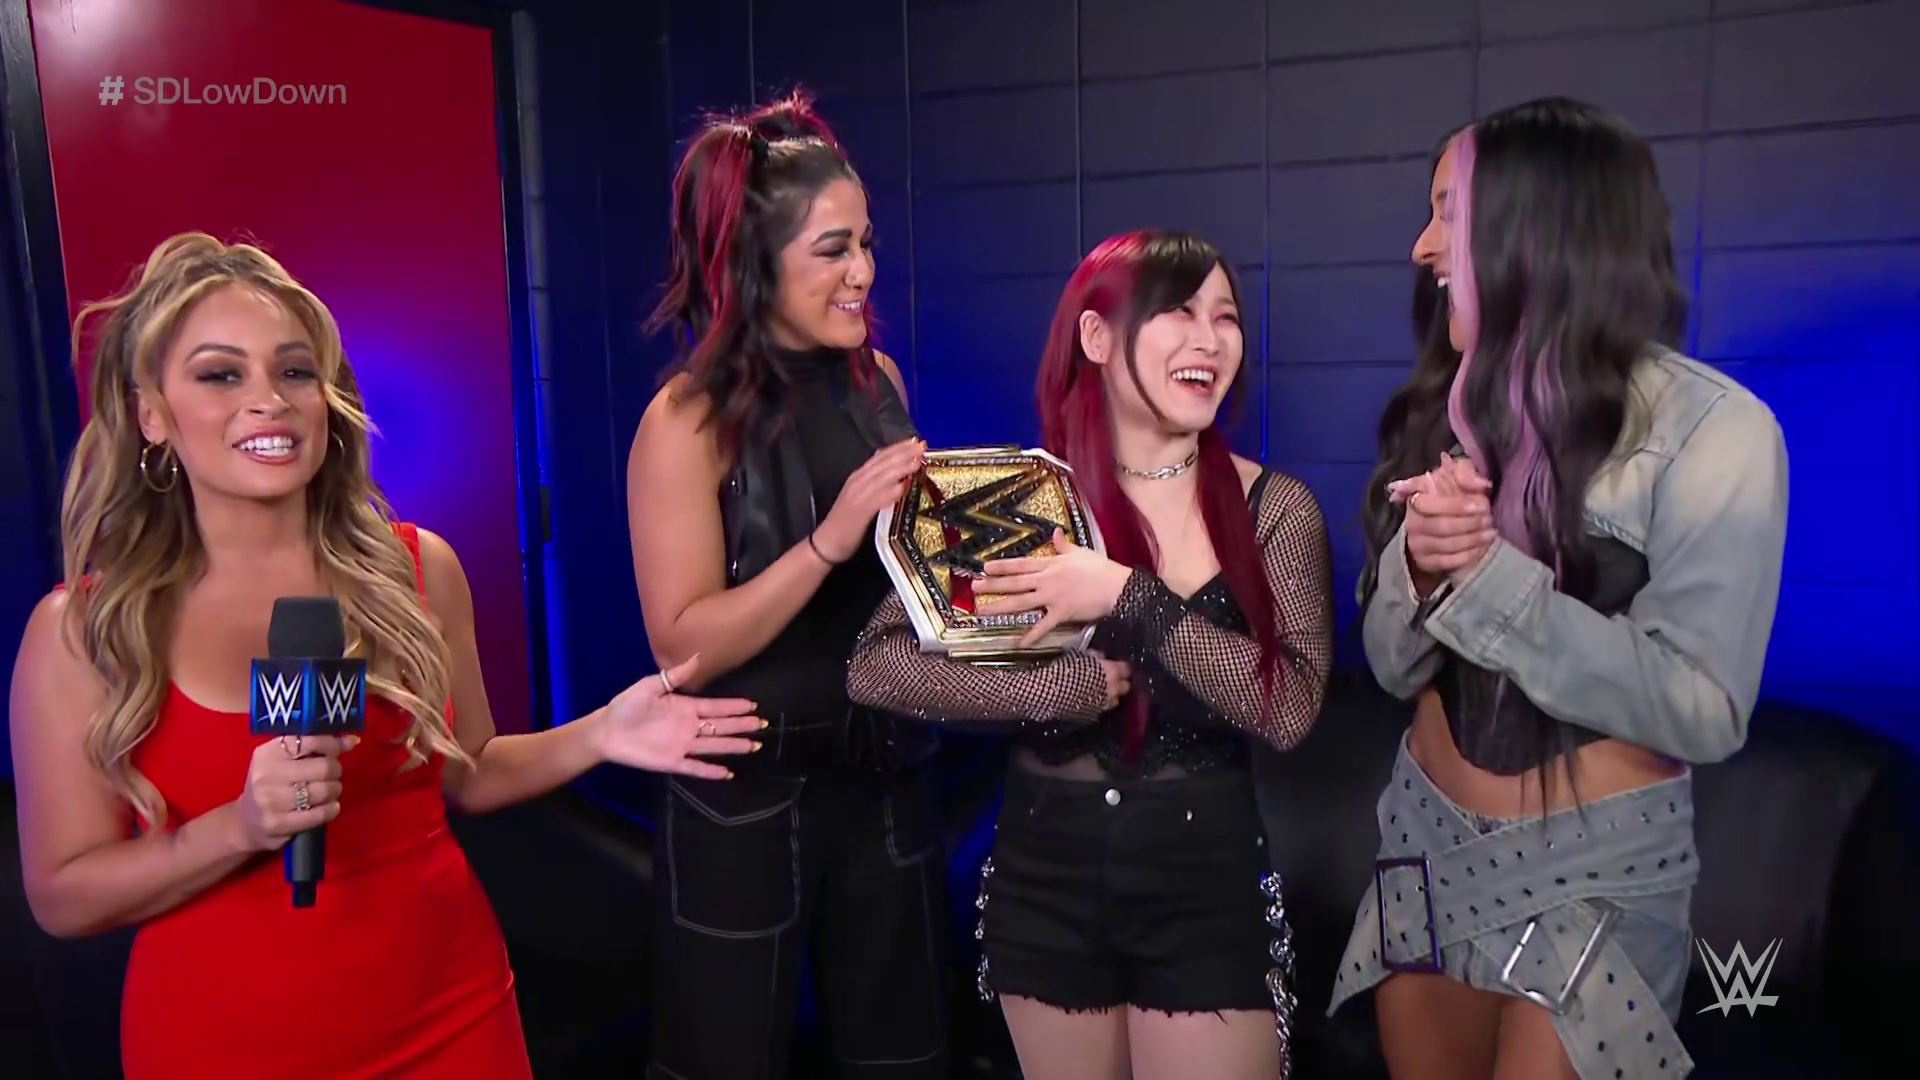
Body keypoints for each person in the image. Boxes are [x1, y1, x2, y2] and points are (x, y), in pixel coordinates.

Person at [7, 232, 765, 1080]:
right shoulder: (84, 632)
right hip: (221, 1043)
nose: (269, 400)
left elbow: (467, 772)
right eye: (220, 375)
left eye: (295, 371)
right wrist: (238, 828)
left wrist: (603, 732)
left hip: (450, 1015)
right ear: (152, 412)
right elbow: (63, 895)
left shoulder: (417, 570)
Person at [1330, 98, 1791, 1080]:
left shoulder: (1715, 431)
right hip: (1424, 844)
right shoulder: (1443, 409)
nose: (1421, 247)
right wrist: (1422, 566)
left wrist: (1491, 579)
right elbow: (1390, 668)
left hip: (1598, 874)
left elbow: (1705, 708)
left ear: (1535, 225)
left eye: (1447, 212)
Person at [847, 228, 1335, 1080]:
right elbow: (874, 664)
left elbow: (1287, 709)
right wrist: (1056, 691)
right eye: (1178, 311)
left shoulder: (1277, 510)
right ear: (1099, 338)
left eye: (1225, 317)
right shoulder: (1023, 500)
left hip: (1203, 881)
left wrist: (1126, 596)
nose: (1209, 339)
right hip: (1046, 877)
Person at [625, 88, 946, 1080]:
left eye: (867, 245)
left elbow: (912, 591)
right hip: (744, 802)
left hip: (884, 778)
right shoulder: (684, 420)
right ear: (754, 264)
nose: (864, 273)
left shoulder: (879, 382)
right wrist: (828, 541)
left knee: (907, 1060)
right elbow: (681, 644)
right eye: (833, 250)